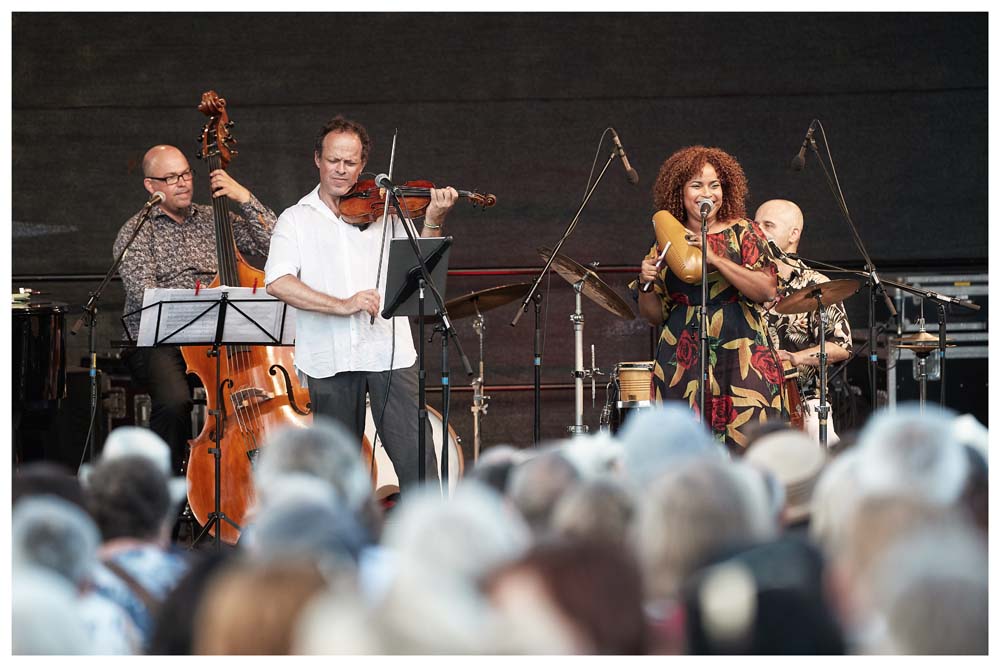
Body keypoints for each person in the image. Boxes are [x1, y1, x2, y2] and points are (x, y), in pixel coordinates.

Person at [265, 115, 458, 492]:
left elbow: (420, 274)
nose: (341, 169)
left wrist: (434, 221)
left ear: (362, 165)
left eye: (350, 162)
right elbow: (278, 282)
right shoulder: (296, 219)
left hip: (388, 351)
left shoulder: (388, 209)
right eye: (333, 160)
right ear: (317, 159)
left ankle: (426, 528)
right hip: (329, 357)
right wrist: (342, 304)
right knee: (334, 476)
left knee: (418, 459)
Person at [115, 144, 277, 474]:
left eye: (186, 174)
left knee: (259, 391)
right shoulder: (137, 232)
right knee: (174, 402)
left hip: (223, 335)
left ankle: (250, 475)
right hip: (163, 340)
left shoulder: (215, 219)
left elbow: (277, 241)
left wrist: (244, 197)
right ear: (150, 185)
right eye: (171, 177)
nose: (183, 183)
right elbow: (146, 296)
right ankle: (166, 485)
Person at [637, 146, 782, 453]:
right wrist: (645, 284)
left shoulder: (744, 231)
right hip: (682, 355)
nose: (707, 193)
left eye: (714, 185)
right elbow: (654, 316)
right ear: (680, 191)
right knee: (681, 449)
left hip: (741, 350)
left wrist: (715, 258)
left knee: (749, 444)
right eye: (697, 185)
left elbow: (767, 290)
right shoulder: (667, 238)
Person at [754, 199, 853, 445]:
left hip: (805, 403)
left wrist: (796, 358)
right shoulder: (744, 280)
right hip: (753, 401)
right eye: (755, 225)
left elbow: (841, 346)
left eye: (768, 225)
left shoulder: (816, 284)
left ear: (793, 234)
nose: (758, 231)